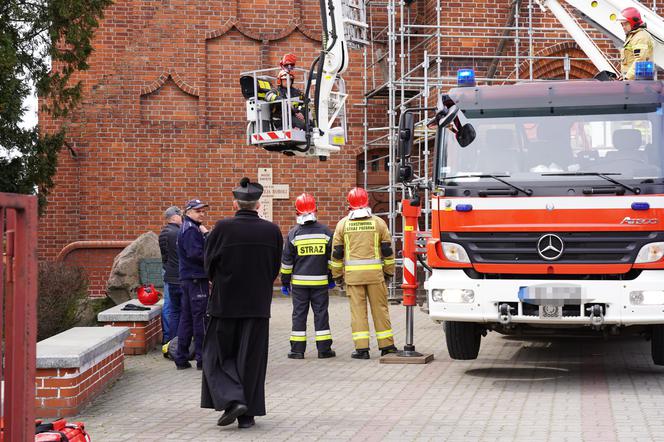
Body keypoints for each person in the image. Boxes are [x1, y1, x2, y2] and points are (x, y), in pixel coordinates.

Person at [202, 177, 283, 429]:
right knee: (251, 360)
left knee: (215, 355)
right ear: (258, 205)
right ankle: (247, 416)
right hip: (258, 305)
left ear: (236, 203)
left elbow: (209, 265)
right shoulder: (272, 230)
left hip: (225, 303)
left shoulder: (222, 228)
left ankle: (232, 398)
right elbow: (274, 269)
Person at [331, 187, 397, 359]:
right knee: (380, 310)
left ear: (349, 204)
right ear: (367, 201)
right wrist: (389, 272)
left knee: (358, 312)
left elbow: (337, 254)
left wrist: (337, 276)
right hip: (375, 276)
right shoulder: (378, 223)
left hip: (353, 278)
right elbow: (388, 252)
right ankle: (387, 346)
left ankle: (362, 349)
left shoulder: (343, 224)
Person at [280, 193, 336, 360]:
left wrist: (284, 282)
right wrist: (331, 278)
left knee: (299, 314)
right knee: (321, 314)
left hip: (299, 284)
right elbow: (331, 259)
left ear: (297, 212)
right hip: (320, 282)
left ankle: (297, 350)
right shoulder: (325, 232)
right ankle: (324, 349)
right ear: (315, 210)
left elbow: (287, 262)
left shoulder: (293, 234)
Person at [175, 199, 210, 371]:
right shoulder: (190, 230)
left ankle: (181, 357)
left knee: (187, 319)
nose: (202, 214)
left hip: (189, 278)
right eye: (198, 211)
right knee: (200, 319)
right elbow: (196, 254)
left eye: (203, 211)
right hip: (196, 279)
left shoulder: (189, 227)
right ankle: (202, 358)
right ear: (188, 212)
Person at [158, 206, 183, 344]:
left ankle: (169, 338)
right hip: (174, 273)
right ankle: (170, 339)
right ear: (174, 217)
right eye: (180, 215)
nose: (182, 217)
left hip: (167, 270)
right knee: (171, 306)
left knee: (170, 306)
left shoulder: (164, 232)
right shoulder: (176, 232)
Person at [265, 54, 306, 130]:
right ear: (279, 81)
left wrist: (301, 113)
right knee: (301, 124)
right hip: (279, 119)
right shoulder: (276, 91)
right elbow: (268, 96)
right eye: (284, 79)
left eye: (289, 79)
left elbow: (305, 102)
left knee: (309, 124)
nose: (287, 81)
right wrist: (281, 100)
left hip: (293, 117)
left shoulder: (296, 92)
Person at [618, 7, 654, 81]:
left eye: (626, 24)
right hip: (634, 80)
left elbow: (640, 60)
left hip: (639, 82)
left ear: (633, 22)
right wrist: (623, 76)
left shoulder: (640, 37)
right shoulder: (634, 36)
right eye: (622, 24)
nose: (623, 27)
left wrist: (627, 78)